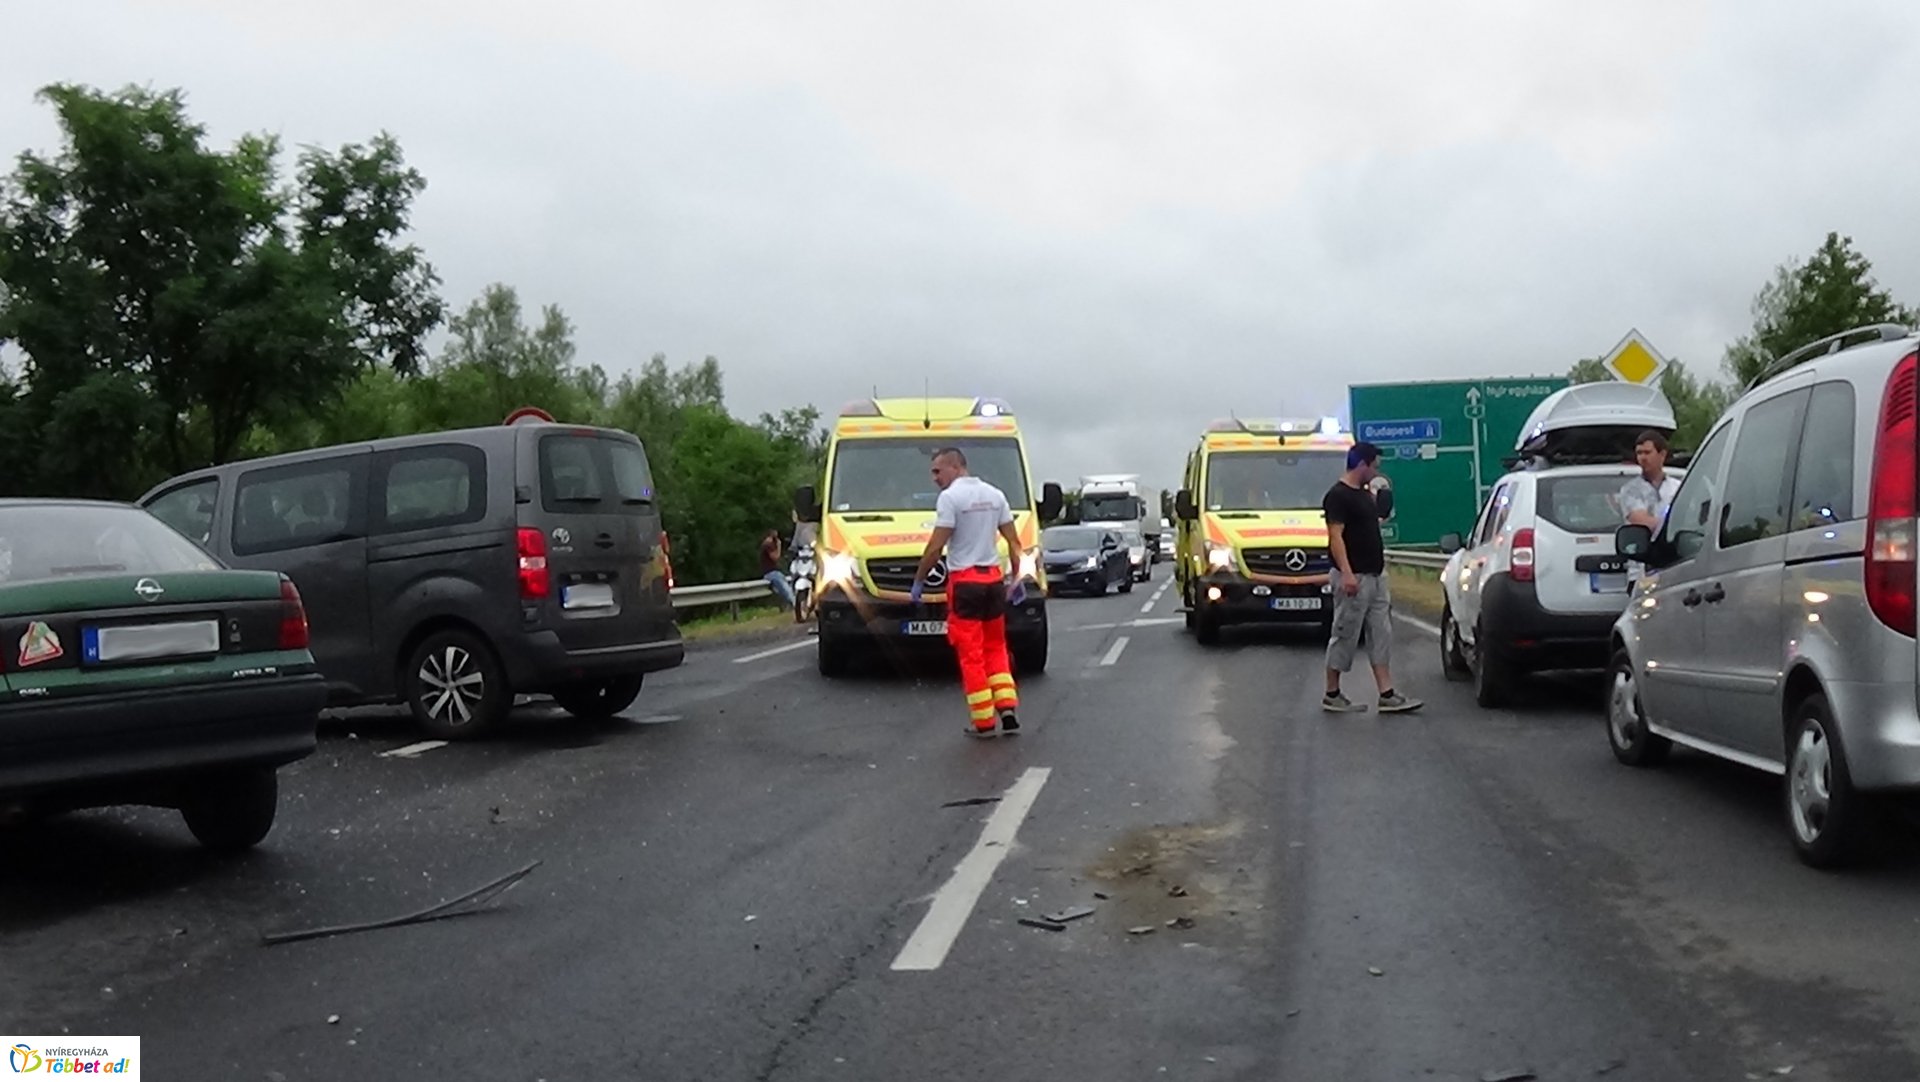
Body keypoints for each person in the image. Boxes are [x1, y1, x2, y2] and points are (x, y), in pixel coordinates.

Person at [911, 447, 1026, 738]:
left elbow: (936, 546)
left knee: (971, 654)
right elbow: (1013, 542)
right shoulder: (995, 494)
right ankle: (1007, 707)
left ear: (955, 466)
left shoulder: (950, 498)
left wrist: (919, 580)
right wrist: (1017, 578)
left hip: (965, 583)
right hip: (993, 582)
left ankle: (984, 721)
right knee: (996, 646)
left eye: (937, 471)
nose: (933, 477)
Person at [1322, 442, 1422, 714]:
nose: (1377, 470)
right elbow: (1336, 537)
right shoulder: (1338, 496)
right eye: (1375, 465)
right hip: (1354, 576)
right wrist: (1346, 573)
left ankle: (1386, 693)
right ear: (1363, 464)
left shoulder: (1365, 496)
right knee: (1345, 632)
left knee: (1381, 633)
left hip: (1376, 575)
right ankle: (1332, 692)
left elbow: (1371, 525)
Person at [1618, 430, 1680, 531]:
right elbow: (1642, 521)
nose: (1643, 458)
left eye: (1647, 452)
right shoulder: (1630, 490)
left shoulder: (1677, 487)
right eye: (1639, 453)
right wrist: (1674, 525)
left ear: (1662, 454)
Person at [759, 529, 796, 610]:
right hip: (771, 573)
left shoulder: (766, 544)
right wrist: (779, 545)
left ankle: (790, 605)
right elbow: (775, 557)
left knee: (787, 584)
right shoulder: (768, 545)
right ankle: (795, 604)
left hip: (773, 572)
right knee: (786, 588)